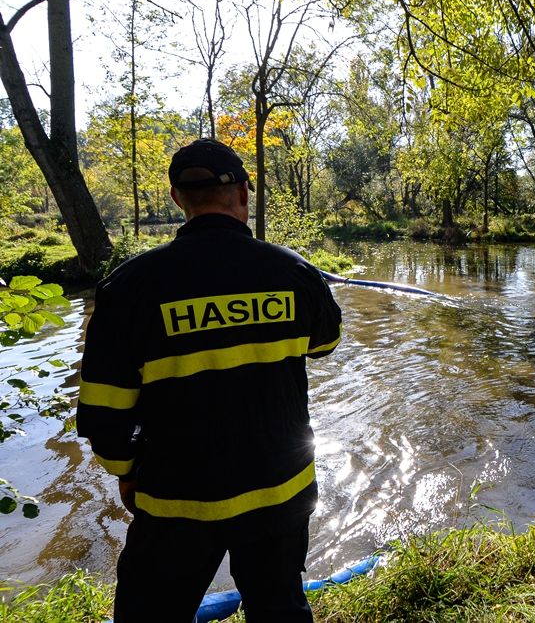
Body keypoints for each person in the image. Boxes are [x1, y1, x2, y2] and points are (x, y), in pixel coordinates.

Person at [76, 138, 343, 622]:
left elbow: (103, 410)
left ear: (177, 198)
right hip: (281, 493)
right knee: (279, 610)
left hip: (175, 501)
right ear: (243, 193)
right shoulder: (294, 272)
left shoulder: (129, 287)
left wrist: (126, 472)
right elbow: (325, 344)